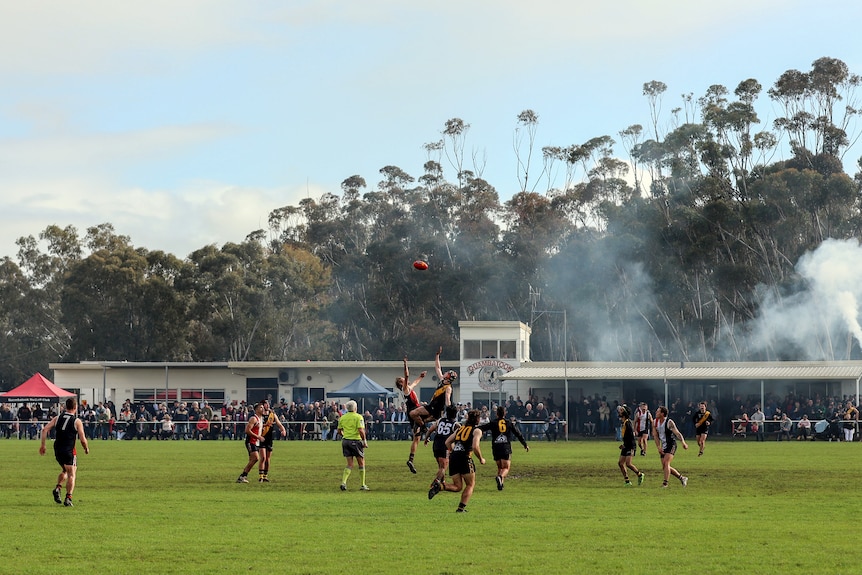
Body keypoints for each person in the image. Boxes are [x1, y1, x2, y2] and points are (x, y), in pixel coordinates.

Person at [429, 409, 485, 513]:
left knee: (458, 486)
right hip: (465, 457)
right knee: (470, 485)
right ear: (477, 420)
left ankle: (440, 487)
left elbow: (448, 441)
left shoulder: (461, 429)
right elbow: (475, 446)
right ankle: (461, 509)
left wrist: (452, 451)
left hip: (454, 457)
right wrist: (481, 458)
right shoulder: (477, 430)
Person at [39, 397, 90, 506]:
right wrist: (86, 448)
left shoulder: (57, 418)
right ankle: (68, 498)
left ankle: (58, 488)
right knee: (72, 473)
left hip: (57, 449)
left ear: (66, 407)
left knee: (65, 470)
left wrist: (43, 445)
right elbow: (82, 439)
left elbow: (44, 429)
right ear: (75, 407)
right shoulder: (77, 421)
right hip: (69, 450)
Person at [476, 405, 528, 491]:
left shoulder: (493, 423)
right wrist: (525, 444)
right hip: (505, 447)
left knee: (500, 467)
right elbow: (518, 433)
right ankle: (500, 477)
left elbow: (482, 428)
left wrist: (472, 428)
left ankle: (500, 485)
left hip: (496, 447)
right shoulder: (508, 423)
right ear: (505, 413)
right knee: (506, 468)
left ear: (497, 414)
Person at [408, 347, 454, 429]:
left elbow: (447, 400)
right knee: (415, 415)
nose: (445, 373)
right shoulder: (442, 380)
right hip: (431, 406)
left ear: (448, 377)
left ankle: (423, 428)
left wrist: (449, 409)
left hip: (437, 410)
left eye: (447, 373)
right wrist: (437, 355)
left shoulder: (448, 388)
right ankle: (423, 428)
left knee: (417, 417)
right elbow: (438, 367)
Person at [396, 356, 427, 473]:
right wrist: (405, 364)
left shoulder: (408, 388)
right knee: (431, 413)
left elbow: (415, 382)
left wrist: (421, 377)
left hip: (413, 412)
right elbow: (407, 376)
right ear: (401, 383)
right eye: (403, 379)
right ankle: (424, 428)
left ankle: (411, 460)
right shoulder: (405, 389)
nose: (405, 380)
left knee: (416, 439)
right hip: (415, 412)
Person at [424, 404, 460, 496]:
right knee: (443, 467)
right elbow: (462, 433)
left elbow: (430, 430)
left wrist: (426, 438)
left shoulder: (440, 420)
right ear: (455, 414)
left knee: (440, 465)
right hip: (445, 445)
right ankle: (436, 482)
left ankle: (442, 482)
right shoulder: (455, 424)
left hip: (436, 444)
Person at [652, 405, 688, 488]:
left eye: (658, 411)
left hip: (671, 444)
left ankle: (665, 484)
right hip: (663, 446)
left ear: (662, 413)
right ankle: (682, 478)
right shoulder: (655, 422)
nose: (656, 413)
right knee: (665, 467)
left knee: (666, 463)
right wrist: (658, 447)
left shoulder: (669, 422)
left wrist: (683, 442)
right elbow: (655, 436)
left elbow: (677, 433)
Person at [337, 400, 369, 491]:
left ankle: (343, 482)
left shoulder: (343, 417)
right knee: (361, 462)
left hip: (345, 441)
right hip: (355, 441)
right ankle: (363, 484)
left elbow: (339, 431)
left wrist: (345, 435)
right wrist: (364, 441)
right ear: (355, 408)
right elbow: (361, 430)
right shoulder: (358, 417)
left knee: (349, 464)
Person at [257, 400, 288, 482]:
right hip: (261, 438)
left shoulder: (272, 414)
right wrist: (264, 425)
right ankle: (260, 476)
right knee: (263, 458)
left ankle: (265, 476)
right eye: (265, 404)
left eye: (268, 404)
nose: (267, 405)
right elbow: (256, 424)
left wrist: (283, 430)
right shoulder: (259, 415)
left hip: (269, 438)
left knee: (268, 459)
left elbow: (278, 424)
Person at [236, 403, 265, 483]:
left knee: (253, 460)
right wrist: (258, 437)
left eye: (263, 408)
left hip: (256, 442)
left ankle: (243, 477)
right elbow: (247, 430)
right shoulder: (254, 419)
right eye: (261, 408)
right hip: (251, 441)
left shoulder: (261, 419)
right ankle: (242, 476)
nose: (263, 409)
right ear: (256, 410)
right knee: (256, 458)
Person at [617, 405, 644, 487]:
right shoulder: (624, 423)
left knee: (628, 463)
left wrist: (626, 446)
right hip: (626, 445)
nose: (619, 411)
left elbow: (631, 437)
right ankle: (627, 481)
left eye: (621, 410)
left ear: (624, 413)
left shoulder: (628, 424)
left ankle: (639, 475)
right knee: (621, 463)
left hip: (630, 446)